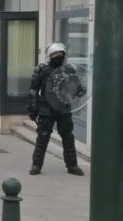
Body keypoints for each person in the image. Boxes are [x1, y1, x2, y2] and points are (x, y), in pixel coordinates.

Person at [27, 42, 84, 177]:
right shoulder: (42, 71)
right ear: (49, 56)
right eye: (54, 54)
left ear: (64, 55)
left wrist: (79, 91)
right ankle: (36, 165)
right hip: (47, 108)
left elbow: (76, 88)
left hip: (63, 107)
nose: (57, 56)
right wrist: (33, 109)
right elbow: (33, 90)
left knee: (68, 137)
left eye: (60, 54)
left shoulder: (69, 71)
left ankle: (72, 165)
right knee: (43, 136)